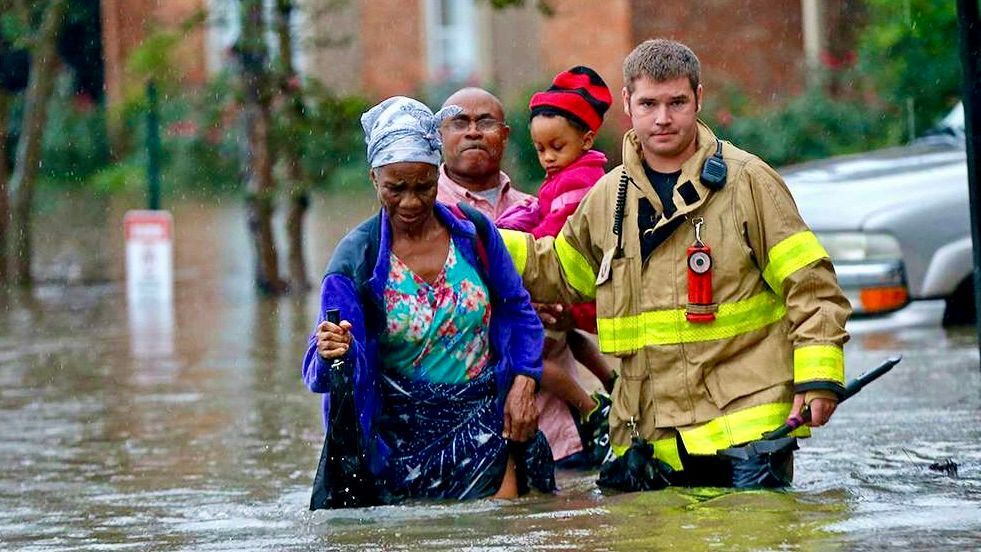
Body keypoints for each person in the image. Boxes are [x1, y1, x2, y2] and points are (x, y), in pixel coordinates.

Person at [499, 39, 852, 488]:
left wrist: (819, 378)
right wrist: (479, 237)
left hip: (747, 438)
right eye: (648, 103)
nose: (662, 118)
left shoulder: (748, 182)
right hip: (648, 438)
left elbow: (812, 286)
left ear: (698, 99)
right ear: (627, 103)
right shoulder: (607, 197)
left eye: (676, 103)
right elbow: (562, 272)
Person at [302, 96, 554, 507]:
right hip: (396, 452)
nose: (412, 201)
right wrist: (334, 351)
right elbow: (321, 371)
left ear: (437, 174)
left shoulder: (473, 234)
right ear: (373, 179)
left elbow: (516, 308)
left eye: (424, 185)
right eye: (395, 188)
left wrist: (526, 378)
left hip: (486, 432)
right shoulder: (354, 262)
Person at [436, 87, 613, 467]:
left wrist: (567, 311)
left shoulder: (537, 208)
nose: (472, 132)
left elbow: (603, 289)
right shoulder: (420, 216)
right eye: (459, 122)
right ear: (439, 135)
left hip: (559, 434)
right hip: (465, 438)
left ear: (505, 134)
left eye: (485, 122)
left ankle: (598, 404)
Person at [498, 67, 621, 466]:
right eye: (539, 149)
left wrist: (511, 240)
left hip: (575, 285)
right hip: (582, 288)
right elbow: (543, 214)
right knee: (570, 338)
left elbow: (553, 238)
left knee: (532, 358)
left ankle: (590, 409)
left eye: (556, 147)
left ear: (586, 139)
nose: (547, 157)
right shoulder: (572, 174)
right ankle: (610, 381)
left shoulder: (579, 181)